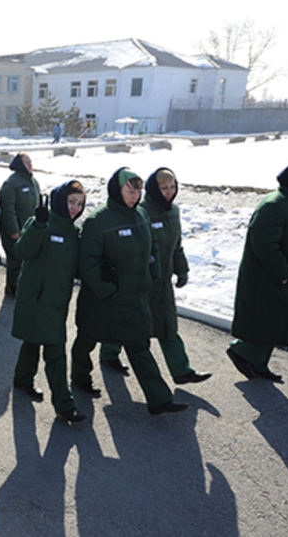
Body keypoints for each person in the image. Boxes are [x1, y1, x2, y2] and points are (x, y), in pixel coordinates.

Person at [70, 167, 187, 415]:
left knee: (139, 347)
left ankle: (159, 399)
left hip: (135, 297)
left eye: (138, 191)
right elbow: (88, 263)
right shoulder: (98, 221)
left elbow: (153, 246)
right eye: (129, 190)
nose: (134, 196)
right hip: (104, 301)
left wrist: (152, 274)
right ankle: (80, 377)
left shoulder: (141, 214)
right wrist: (108, 289)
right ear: (117, 189)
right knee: (86, 341)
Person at [99, 168, 212, 385]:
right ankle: (109, 353)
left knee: (168, 324)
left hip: (164, 280)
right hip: (144, 280)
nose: (169, 192)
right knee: (132, 323)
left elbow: (176, 244)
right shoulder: (141, 211)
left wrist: (182, 269)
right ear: (154, 189)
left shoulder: (173, 211)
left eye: (172, 187)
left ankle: (182, 370)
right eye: (164, 188)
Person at [227, 160, 288, 382]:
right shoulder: (274, 205)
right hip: (270, 277)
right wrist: (284, 273)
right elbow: (264, 244)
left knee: (276, 323)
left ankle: (259, 364)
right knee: (268, 321)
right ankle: (241, 352)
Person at [11, 182, 87, 423]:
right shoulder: (41, 222)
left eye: (80, 203)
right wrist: (38, 225)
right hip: (37, 298)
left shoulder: (73, 231)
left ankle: (22, 379)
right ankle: (64, 406)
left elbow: (70, 266)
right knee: (55, 351)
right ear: (60, 199)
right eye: (71, 201)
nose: (75, 208)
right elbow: (22, 250)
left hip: (57, 301)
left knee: (33, 340)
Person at [0, 153, 40, 297]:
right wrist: (13, 231)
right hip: (16, 229)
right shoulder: (11, 184)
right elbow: (8, 210)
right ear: (20, 165)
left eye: (31, 162)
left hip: (29, 228)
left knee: (26, 259)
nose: (30, 165)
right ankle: (12, 286)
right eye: (27, 163)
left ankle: (23, 284)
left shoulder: (33, 182)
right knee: (15, 260)